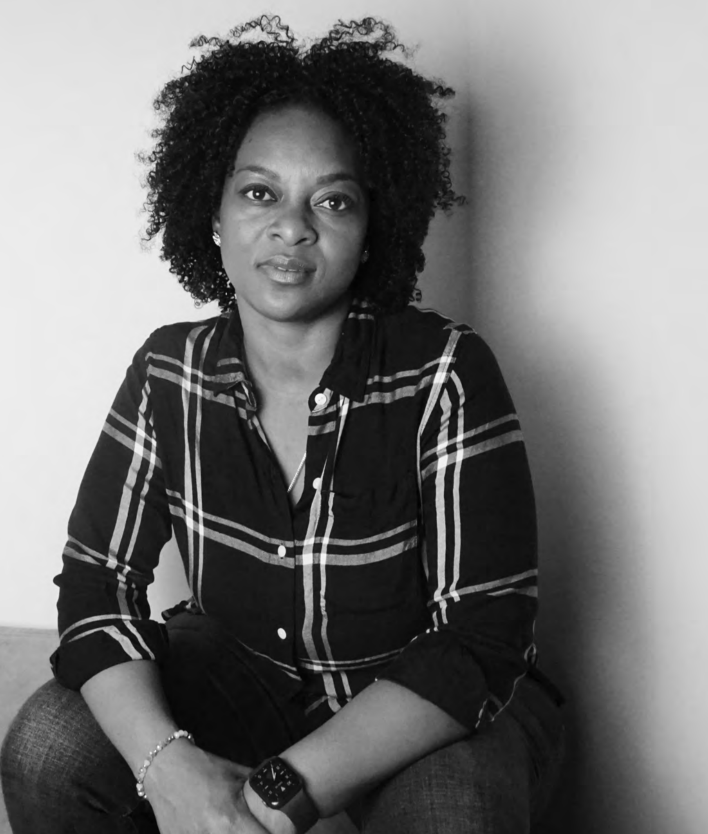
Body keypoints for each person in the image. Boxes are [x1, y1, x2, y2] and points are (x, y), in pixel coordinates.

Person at [0, 16, 565, 834]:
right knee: (47, 746)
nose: (292, 227)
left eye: (332, 200)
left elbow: (480, 639)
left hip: (415, 711)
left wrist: (273, 796)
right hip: (242, 684)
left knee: (456, 812)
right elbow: (97, 584)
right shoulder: (169, 370)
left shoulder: (445, 370)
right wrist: (171, 772)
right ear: (214, 211)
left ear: (371, 231)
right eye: (260, 192)